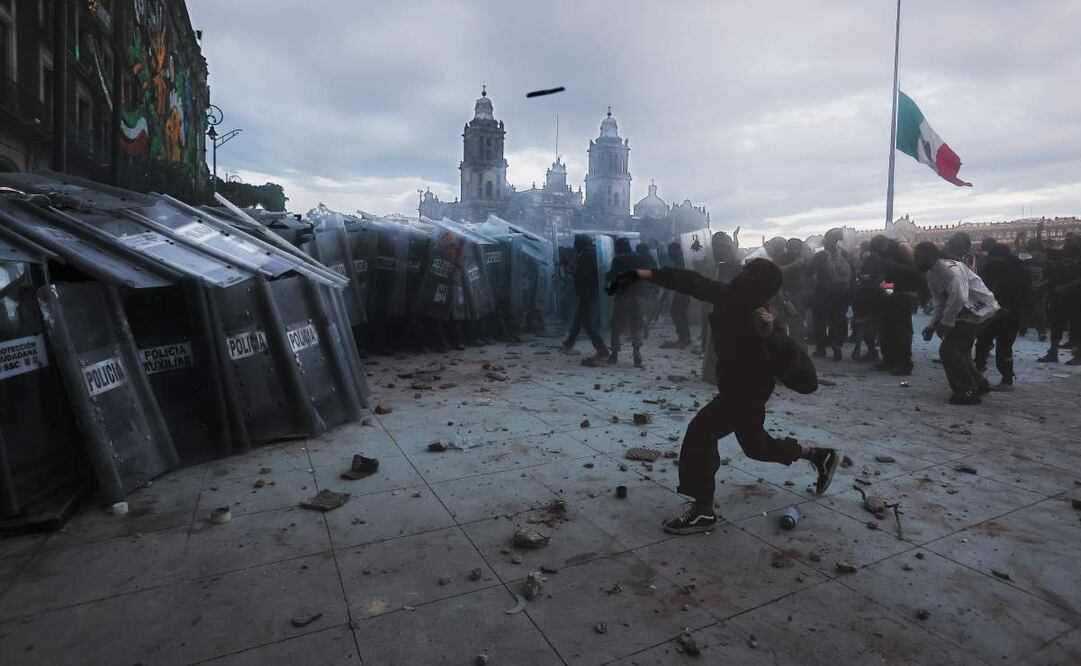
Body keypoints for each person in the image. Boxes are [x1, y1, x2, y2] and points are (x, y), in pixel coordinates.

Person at [607, 259, 840, 535]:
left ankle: (704, 510)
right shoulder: (728, 295)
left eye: (750, 275)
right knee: (755, 446)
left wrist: (769, 337)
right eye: (745, 270)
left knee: (701, 433)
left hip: (749, 391)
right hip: (732, 386)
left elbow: (807, 381)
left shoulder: (764, 320)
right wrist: (641, 272)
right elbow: (688, 281)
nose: (742, 276)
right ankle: (818, 455)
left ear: (761, 288)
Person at [915, 242, 1000, 405]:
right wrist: (932, 325)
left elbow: (959, 296)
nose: (915, 260)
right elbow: (939, 302)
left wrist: (946, 322)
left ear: (931, 255)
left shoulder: (949, 268)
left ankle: (967, 391)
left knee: (950, 350)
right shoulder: (932, 273)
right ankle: (978, 384)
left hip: (980, 310)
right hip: (968, 311)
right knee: (959, 349)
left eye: (917, 256)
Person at [975, 241, 1030, 389]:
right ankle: (978, 373)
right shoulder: (991, 267)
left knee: (1003, 346)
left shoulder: (1017, 270)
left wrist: (1009, 307)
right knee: (983, 343)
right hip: (991, 311)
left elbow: (1022, 292)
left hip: (1008, 314)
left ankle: (1006, 379)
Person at [864, 235, 922, 375]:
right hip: (892, 293)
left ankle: (903, 363)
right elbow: (887, 275)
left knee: (901, 331)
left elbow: (916, 271)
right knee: (887, 328)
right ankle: (889, 360)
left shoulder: (901, 249)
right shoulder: (885, 254)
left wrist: (890, 266)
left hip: (905, 294)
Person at [561, 235, 610, 362]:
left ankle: (602, 350)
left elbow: (583, 275)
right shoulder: (589, 254)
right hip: (588, 293)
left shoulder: (588, 255)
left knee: (587, 322)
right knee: (579, 319)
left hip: (588, 293)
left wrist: (570, 268)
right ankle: (568, 344)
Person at [603, 238, 649, 367]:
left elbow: (611, 276)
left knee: (616, 326)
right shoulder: (641, 258)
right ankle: (637, 352)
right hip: (639, 295)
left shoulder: (619, 259)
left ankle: (614, 355)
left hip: (623, 296)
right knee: (637, 324)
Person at [810, 228, 852, 361]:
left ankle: (821, 349)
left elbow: (809, 271)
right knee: (837, 320)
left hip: (823, 292)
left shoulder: (820, 256)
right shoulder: (845, 254)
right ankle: (836, 347)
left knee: (820, 320)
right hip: (840, 293)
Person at [660, 242, 692, 348]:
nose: (669, 254)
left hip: (683, 291)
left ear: (676, 250)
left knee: (676, 312)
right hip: (684, 290)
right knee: (680, 313)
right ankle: (685, 337)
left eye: (671, 251)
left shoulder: (680, 260)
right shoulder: (682, 258)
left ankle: (683, 338)